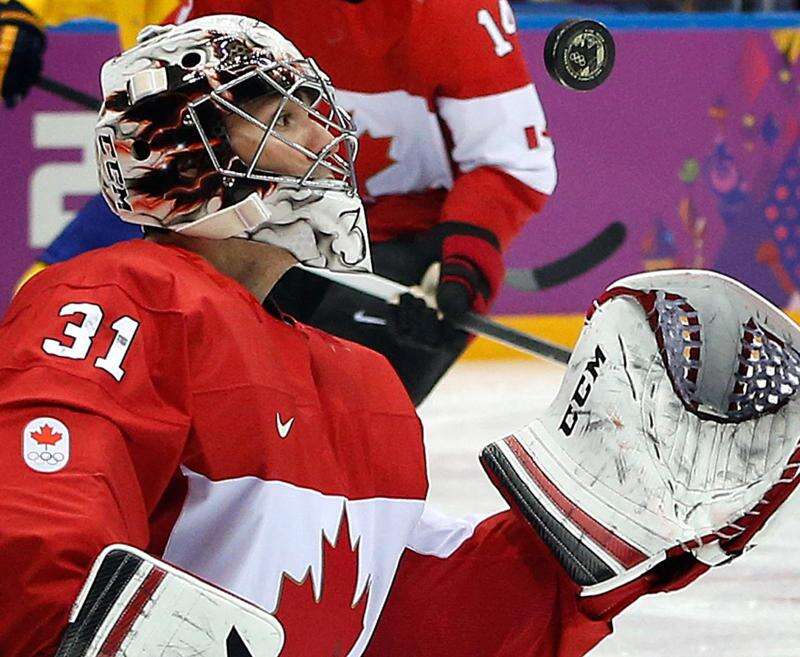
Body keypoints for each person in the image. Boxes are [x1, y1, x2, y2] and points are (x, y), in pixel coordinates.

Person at [3, 16, 799, 657]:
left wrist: (607, 539)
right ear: (192, 154)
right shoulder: (116, 301)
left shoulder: (366, 383)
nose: (327, 138)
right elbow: (35, 548)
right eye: (282, 116)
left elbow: (409, 614)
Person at [12, 0, 555, 405]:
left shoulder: (452, 14)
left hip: (395, 245)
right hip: (250, 212)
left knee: (329, 427)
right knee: (76, 319)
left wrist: (464, 258)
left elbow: (508, 161)